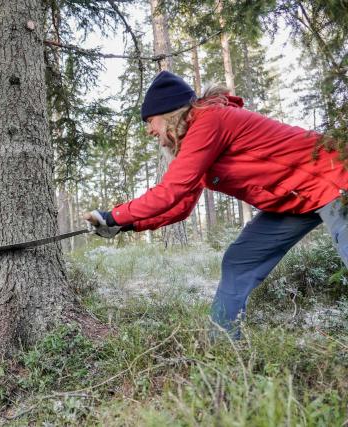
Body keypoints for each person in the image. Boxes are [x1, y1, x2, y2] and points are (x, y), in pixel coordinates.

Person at [85, 70, 348, 339]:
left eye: (150, 121)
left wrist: (114, 215)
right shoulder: (197, 140)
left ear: (169, 113)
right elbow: (180, 206)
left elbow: (171, 191)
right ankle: (223, 345)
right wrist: (126, 224)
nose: (149, 130)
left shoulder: (210, 121)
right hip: (295, 200)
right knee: (240, 259)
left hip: (335, 179)